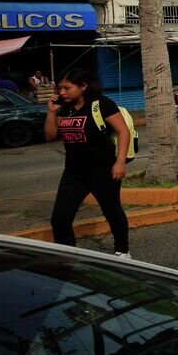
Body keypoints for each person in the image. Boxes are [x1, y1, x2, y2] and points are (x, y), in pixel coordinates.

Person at [45, 68, 132, 258]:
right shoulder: (65, 109)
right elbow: (50, 136)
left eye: (67, 88)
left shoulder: (101, 104)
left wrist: (120, 162)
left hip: (103, 170)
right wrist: (51, 112)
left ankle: (123, 251)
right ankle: (68, 255)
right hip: (74, 172)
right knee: (59, 218)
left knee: (112, 211)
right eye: (60, 89)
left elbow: (123, 131)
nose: (62, 93)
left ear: (83, 86)